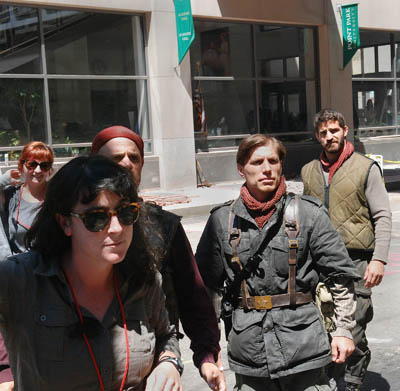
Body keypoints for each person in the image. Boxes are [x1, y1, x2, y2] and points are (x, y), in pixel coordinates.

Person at [0, 155, 182, 390]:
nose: (117, 229)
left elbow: (166, 336)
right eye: (97, 218)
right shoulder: (18, 280)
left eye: (126, 213)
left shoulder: (144, 279)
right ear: (65, 223)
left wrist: (169, 363)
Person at [196, 134, 360, 391]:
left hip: (305, 350)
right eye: (257, 162)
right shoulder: (222, 221)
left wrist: (343, 329)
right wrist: (209, 347)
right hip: (250, 355)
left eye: (273, 161)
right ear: (241, 169)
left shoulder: (309, 213)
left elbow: (340, 276)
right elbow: (207, 291)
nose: (267, 169)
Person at [91, 126, 225, 391]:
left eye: (134, 157)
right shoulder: (74, 223)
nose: (126, 164)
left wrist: (206, 355)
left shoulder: (164, 225)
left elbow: (193, 295)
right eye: (115, 159)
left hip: (155, 370)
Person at [301, 109, 392, 391]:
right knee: (322, 323)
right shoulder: (308, 171)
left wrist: (379, 260)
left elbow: (383, 216)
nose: (330, 137)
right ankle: (327, 376)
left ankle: (351, 382)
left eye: (334, 130)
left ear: (345, 130)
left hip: (357, 260)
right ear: (318, 136)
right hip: (319, 261)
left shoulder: (366, 168)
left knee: (355, 324)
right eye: (324, 132)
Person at [0, 141, 54, 390]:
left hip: (51, 280)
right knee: (21, 341)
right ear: (22, 165)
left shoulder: (58, 198)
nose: (37, 170)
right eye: (31, 164)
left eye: (44, 165)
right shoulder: (11, 195)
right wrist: (2, 180)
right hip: (17, 280)